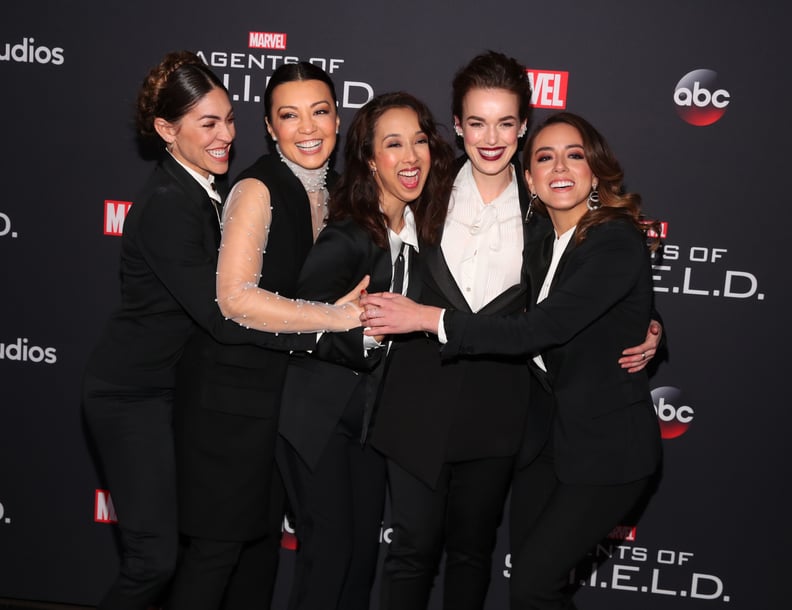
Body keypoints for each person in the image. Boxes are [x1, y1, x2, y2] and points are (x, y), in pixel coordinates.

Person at [366, 51, 662, 610]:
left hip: (502, 411)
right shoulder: (425, 186)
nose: (491, 137)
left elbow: (583, 290)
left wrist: (651, 324)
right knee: (411, 551)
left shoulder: (542, 209)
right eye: (477, 122)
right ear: (457, 126)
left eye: (506, 123)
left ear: (522, 126)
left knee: (476, 554)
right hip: (418, 398)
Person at [82, 52, 359, 610]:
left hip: (178, 390)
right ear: (166, 129)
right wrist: (333, 321)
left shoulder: (206, 190)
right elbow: (223, 313)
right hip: (134, 394)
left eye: (228, 118)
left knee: (209, 552)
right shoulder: (169, 204)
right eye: (208, 123)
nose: (225, 135)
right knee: (153, 561)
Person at [166, 61, 362, 610]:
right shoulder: (256, 188)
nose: (307, 128)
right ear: (270, 128)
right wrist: (332, 318)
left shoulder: (339, 191)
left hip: (284, 404)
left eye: (319, 112)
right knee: (217, 556)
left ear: (338, 119)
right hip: (230, 404)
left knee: (259, 561)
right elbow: (234, 299)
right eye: (289, 116)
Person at [275, 91, 454, 610]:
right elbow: (293, 329)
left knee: (359, 565)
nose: (411, 156)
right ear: (371, 159)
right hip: (319, 421)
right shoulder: (348, 236)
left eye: (419, 141)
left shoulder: (421, 234)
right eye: (393, 144)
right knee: (327, 562)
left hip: (371, 427)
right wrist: (363, 330)